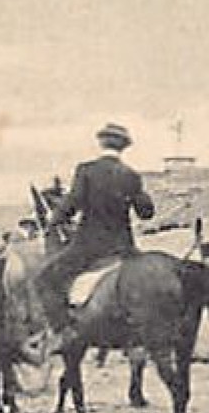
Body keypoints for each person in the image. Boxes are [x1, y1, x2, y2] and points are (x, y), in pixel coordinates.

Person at [34, 122, 155, 343]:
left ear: (101, 142)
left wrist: (55, 220)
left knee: (45, 279)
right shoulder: (132, 175)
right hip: (124, 248)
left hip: (90, 246)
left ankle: (62, 333)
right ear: (124, 147)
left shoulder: (86, 170)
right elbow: (146, 213)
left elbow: (73, 203)